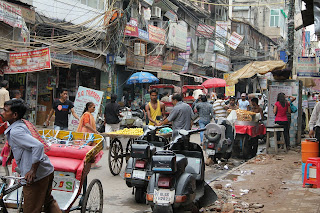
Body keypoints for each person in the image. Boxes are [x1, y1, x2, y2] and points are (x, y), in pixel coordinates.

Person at [2, 99, 61, 213]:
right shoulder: (21, 123)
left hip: (37, 176)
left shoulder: (16, 131)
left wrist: (32, 171)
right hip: (46, 170)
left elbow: (38, 146)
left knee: (31, 209)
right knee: (48, 201)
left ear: (14, 115)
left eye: (5, 111)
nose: (2, 113)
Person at [77, 102, 102, 169]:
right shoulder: (86, 114)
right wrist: (95, 131)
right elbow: (86, 124)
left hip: (89, 133)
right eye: (93, 107)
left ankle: (92, 163)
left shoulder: (89, 114)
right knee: (88, 149)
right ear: (89, 107)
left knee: (91, 149)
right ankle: (85, 163)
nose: (94, 109)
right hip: (86, 133)